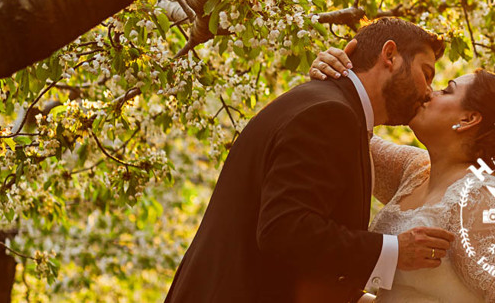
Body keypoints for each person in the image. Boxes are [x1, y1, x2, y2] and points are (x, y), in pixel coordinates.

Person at [164, 18, 455, 303]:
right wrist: (393, 251)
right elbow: (284, 230)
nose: (428, 90)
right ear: (389, 55)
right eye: (426, 73)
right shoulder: (329, 114)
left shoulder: (326, 105)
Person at [311, 48, 495, 303]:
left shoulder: (486, 197)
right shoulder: (415, 169)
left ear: (468, 119)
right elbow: (347, 131)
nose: (428, 93)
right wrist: (334, 79)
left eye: (446, 91)